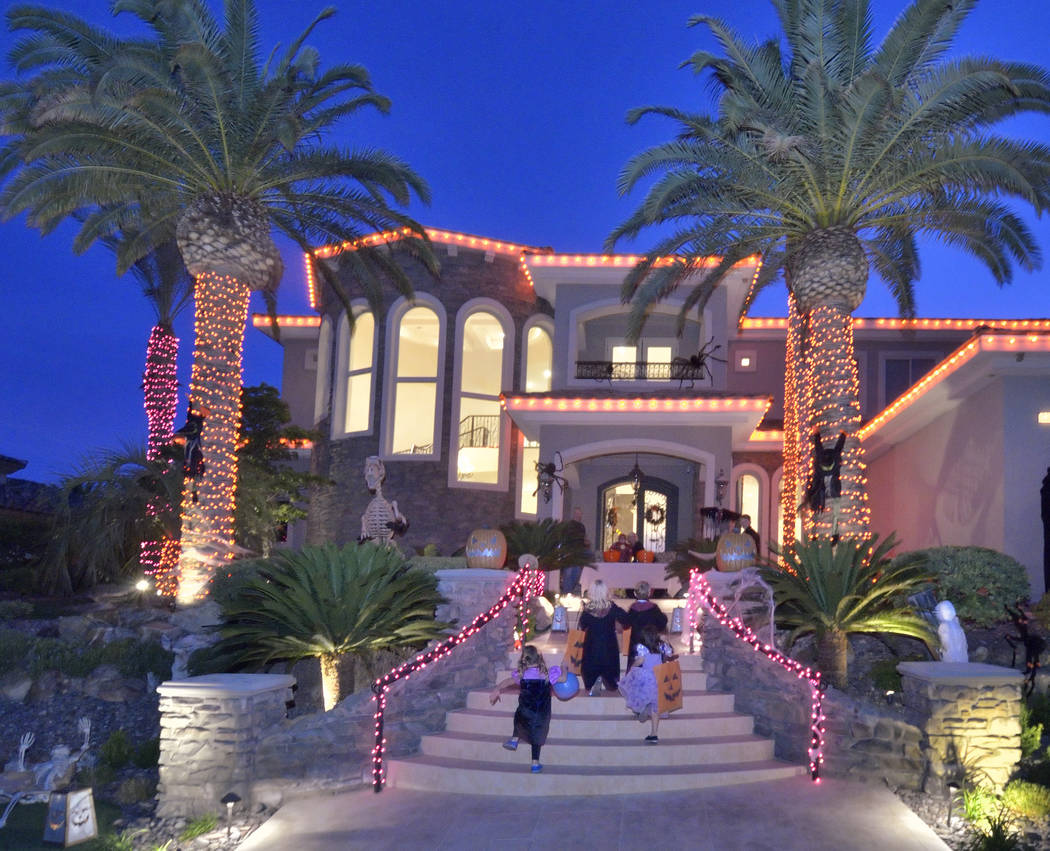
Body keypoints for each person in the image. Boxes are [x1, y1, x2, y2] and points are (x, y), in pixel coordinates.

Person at [490, 644, 563, 773]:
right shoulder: (546, 675)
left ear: (523, 660)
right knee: (537, 737)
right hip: (541, 713)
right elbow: (563, 678)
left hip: (525, 710)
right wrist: (565, 669)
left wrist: (497, 689)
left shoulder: (521, 675)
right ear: (539, 658)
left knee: (519, 718)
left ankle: (514, 739)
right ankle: (535, 763)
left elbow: (507, 682)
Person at [578, 579, 629, 695]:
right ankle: (609, 682)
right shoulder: (611, 607)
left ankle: (594, 681)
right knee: (610, 667)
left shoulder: (587, 609)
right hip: (608, 644)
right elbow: (626, 619)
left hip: (592, 644)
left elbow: (582, 624)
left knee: (591, 665)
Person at [618, 625, 667, 743]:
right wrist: (667, 642)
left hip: (646, 678)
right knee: (655, 706)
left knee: (638, 693)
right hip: (658, 677)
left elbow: (640, 660)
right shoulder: (661, 646)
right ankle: (654, 733)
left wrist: (632, 666)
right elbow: (669, 654)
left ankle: (641, 711)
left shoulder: (642, 647)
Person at [625, 581, 668, 670]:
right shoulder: (654, 608)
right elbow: (662, 623)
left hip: (635, 642)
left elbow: (626, 623)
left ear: (635, 593)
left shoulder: (633, 608)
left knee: (635, 668)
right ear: (649, 593)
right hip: (651, 642)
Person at [560, 507, 589, 595]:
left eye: (579, 514)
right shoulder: (568, 525)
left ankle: (570, 592)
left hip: (578, 554)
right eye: (577, 513)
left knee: (576, 574)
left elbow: (582, 539)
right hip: (569, 553)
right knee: (568, 574)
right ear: (574, 514)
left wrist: (585, 543)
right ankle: (566, 594)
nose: (578, 515)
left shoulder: (582, 526)